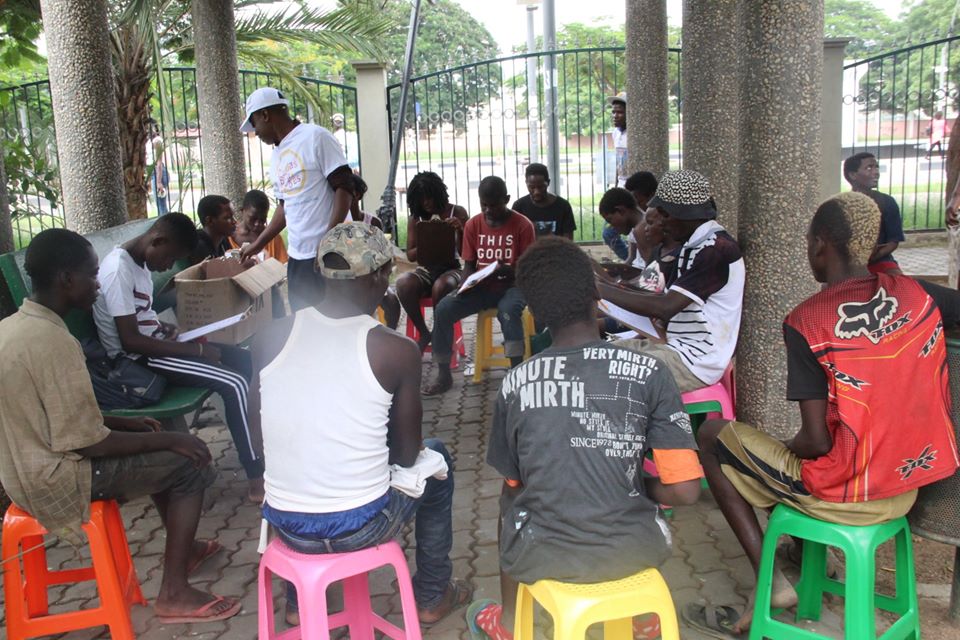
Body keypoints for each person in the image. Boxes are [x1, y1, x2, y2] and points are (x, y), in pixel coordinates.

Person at [688, 191, 960, 636]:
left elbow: (815, 443)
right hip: (910, 486)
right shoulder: (917, 294)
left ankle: (771, 585)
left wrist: (776, 450)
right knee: (775, 466)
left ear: (819, 245)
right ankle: (807, 552)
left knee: (715, 438)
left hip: (849, 497)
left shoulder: (807, 320)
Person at [468, 237, 703, 640]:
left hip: (543, 553)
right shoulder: (652, 372)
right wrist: (636, 484)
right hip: (637, 549)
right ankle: (641, 617)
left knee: (509, 499)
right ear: (597, 297)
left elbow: (515, 484)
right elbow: (684, 490)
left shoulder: (515, 383)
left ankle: (507, 623)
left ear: (535, 312)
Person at [0, 228, 239, 624]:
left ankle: (187, 548)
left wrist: (126, 424)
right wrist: (172, 439)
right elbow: (88, 442)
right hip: (59, 479)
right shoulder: (55, 342)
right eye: (92, 275)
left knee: (157, 443)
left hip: (22, 474)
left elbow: (49, 416)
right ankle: (175, 593)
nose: (98, 285)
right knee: (189, 462)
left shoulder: (13, 328)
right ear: (67, 279)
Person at [253, 222, 472, 626]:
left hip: (285, 524)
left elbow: (260, 436)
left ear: (319, 271)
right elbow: (407, 456)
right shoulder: (395, 349)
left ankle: (301, 603)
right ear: (380, 276)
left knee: (303, 470)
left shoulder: (270, 335)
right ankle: (432, 594)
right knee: (437, 458)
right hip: (360, 526)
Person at [92, 213, 265, 502]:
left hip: (154, 345)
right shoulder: (118, 270)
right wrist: (197, 351)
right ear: (158, 240)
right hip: (135, 361)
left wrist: (163, 327)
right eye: (169, 258)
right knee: (233, 383)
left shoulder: (139, 261)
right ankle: (255, 475)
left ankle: (261, 445)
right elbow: (130, 340)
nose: (168, 266)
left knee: (247, 362)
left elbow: (139, 317)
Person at [597, 170, 744, 393]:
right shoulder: (692, 245)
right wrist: (608, 286)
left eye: (665, 215)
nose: (662, 223)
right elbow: (661, 298)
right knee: (592, 358)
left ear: (684, 214)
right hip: (673, 347)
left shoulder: (715, 250)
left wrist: (600, 289)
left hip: (693, 362)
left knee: (602, 378)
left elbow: (666, 307)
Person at [238, 87, 353, 311]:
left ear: (265, 115)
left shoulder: (316, 137)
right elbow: (285, 206)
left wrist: (328, 240)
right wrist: (258, 244)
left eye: (254, 124)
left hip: (331, 254)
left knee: (336, 319)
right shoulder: (276, 155)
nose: (256, 132)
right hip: (298, 256)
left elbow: (345, 188)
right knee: (304, 320)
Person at [423, 177, 536, 395]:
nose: (488, 210)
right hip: (482, 287)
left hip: (513, 287)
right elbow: (469, 264)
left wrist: (506, 270)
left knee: (508, 312)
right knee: (444, 308)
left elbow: (528, 269)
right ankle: (443, 374)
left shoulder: (523, 226)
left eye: (494, 205)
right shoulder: (473, 224)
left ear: (506, 200)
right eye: (484, 205)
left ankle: (516, 373)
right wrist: (464, 286)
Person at [396, 171, 469, 351]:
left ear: (438, 193)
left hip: (452, 268)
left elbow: (466, 253)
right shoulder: (417, 218)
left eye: (429, 197)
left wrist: (460, 230)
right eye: (421, 199)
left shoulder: (457, 212)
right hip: (426, 269)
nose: (426, 203)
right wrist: (431, 238)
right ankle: (424, 332)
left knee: (441, 286)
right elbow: (411, 255)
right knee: (404, 284)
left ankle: (439, 333)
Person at [348, 174, 401, 328]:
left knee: (392, 303)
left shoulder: (372, 222)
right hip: (347, 281)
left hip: (371, 279)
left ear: (357, 195)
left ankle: (389, 333)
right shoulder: (337, 224)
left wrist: (380, 279)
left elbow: (383, 257)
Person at [843, 152, 905, 276]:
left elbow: (893, 242)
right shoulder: (842, 205)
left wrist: (869, 258)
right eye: (869, 168)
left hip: (881, 262)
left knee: (898, 284)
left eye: (877, 167)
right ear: (852, 175)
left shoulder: (887, 202)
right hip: (849, 264)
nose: (876, 172)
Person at [510, 163, 576, 239]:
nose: (536, 192)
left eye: (541, 187)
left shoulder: (563, 206)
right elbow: (514, 237)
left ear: (548, 182)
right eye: (532, 187)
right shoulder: (519, 206)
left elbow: (568, 240)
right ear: (526, 183)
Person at [601, 92, 629, 260]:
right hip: (621, 188)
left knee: (610, 232)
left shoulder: (635, 135)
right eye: (613, 112)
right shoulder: (616, 133)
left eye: (620, 112)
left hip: (632, 192)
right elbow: (619, 162)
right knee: (609, 233)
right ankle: (630, 260)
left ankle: (631, 262)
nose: (615, 116)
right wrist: (616, 185)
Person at [229, 189, 289, 263]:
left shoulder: (273, 238)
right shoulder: (229, 236)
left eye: (262, 219)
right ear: (242, 211)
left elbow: (282, 265)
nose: (257, 224)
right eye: (253, 218)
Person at [190, 194, 236, 264]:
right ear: (209, 221)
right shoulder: (198, 247)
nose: (234, 221)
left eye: (233, 216)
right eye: (227, 218)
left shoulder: (223, 240)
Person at [148, 121, 170, 216]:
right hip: (154, 173)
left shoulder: (157, 141)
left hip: (159, 173)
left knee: (161, 205)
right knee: (160, 204)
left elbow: (159, 162)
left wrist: (158, 182)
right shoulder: (150, 141)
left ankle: (166, 223)